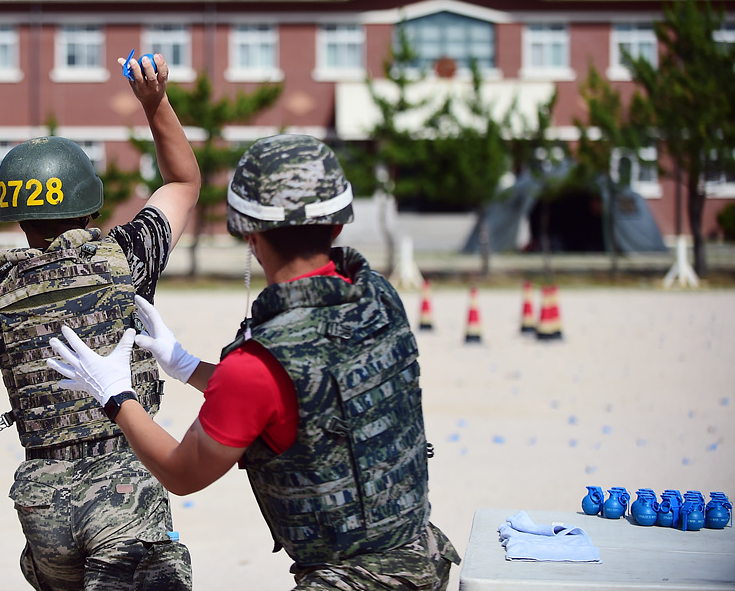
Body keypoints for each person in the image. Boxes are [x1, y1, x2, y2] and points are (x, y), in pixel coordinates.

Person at [48, 133, 460, 591]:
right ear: (339, 225)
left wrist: (114, 395)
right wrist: (186, 365)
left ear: (249, 233)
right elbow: (298, 396)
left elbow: (183, 472)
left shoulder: (257, 363)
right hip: (422, 561)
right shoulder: (377, 297)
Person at [0, 53, 200, 591]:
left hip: (42, 502)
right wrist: (156, 102)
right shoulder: (126, 258)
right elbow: (184, 181)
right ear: (90, 203)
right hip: (123, 488)